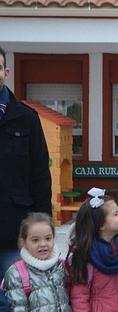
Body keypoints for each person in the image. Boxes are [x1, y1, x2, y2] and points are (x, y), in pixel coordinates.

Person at [0, 46, 52, 276]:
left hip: (15, 229)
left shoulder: (26, 118)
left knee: (15, 299)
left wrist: (42, 225)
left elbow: (40, 175)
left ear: (6, 72)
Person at [3, 212, 76, 312]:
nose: (43, 244)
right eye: (35, 240)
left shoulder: (62, 267)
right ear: (23, 242)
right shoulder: (17, 273)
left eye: (48, 238)